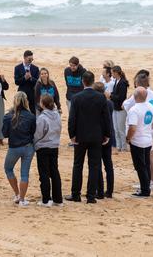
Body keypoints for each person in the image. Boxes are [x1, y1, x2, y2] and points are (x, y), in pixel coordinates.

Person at [65, 71, 111, 204]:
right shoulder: (101, 97)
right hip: (96, 136)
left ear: (82, 81)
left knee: (78, 165)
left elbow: (72, 118)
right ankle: (91, 196)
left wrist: (72, 135)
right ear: (92, 81)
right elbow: (106, 119)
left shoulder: (77, 97)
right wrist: (107, 134)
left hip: (80, 136)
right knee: (94, 165)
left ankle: (76, 194)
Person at [123, 73, 153, 189]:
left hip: (140, 128)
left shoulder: (137, 95)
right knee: (150, 155)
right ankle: (151, 181)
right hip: (149, 127)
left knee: (141, 161)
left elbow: (125, 106)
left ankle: (146, 184)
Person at [2, 92, 37, 207]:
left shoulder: (8, 116)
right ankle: (22, 199)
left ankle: (17, 193)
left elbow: (4, 133)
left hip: (14, 147)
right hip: (28, 147)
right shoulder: (31, 116)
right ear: (26, 101)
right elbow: (33, 133)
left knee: (8, 169)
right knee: (25, 174)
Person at [33, 94, 63, 207]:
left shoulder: (42, 118)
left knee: (44, 174)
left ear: (43, 104)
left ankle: (46, 200)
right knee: (55, 172)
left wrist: (35, 143)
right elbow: (59, 129)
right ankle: (58, 199)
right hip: (54, 146)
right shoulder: (57, 115)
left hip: (43, 147)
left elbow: (38, 133)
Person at [126, 87, 153, 198]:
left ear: (135, 96)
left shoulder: (134, 110)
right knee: (146, 164)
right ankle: (146, 187)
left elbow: (132, 128)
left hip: (137, 141)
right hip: (147, 139)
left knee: (140, 166)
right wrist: (146, 130)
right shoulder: (150, 106)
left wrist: (128, 138)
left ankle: (144, 190)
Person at [93, 82, 114, 199]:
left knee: (98, 164)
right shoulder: (109, 103)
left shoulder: (98, 104)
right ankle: (109, 191)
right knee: (108, 164)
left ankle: (100, 191)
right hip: (109, 135)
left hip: (100, 136)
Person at [14, 50, 40, 114]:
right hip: (21, 93)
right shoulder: (17, 68)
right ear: (24, 58)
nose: (31, 61)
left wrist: (31, 78)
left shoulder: (35, 68)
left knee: (33, 112)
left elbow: (38, 82)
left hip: (32, 93)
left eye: (32, 59)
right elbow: (16, 82)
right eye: (29, 59)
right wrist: (24, 78)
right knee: (20, 111)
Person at [110, 66, 129, 151]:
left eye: (112, 72)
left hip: (120, 108)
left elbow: (121, 97)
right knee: (116, 128)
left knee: (121, 129)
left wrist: (110, 96)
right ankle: (118, 146)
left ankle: (123, 147)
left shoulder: (122, 82)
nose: (111, 74)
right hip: (115, 107)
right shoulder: (117, 81)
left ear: (116, 72)